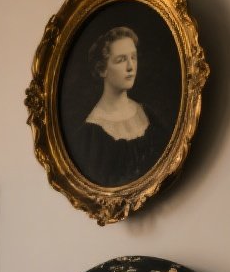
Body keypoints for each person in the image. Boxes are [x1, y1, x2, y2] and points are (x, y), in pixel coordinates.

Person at [69, 26, 166, 188]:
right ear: (102, 69)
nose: (130, 67)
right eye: (121, 60)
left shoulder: (148, 114)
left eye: (133, 57)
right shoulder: (91, 136)